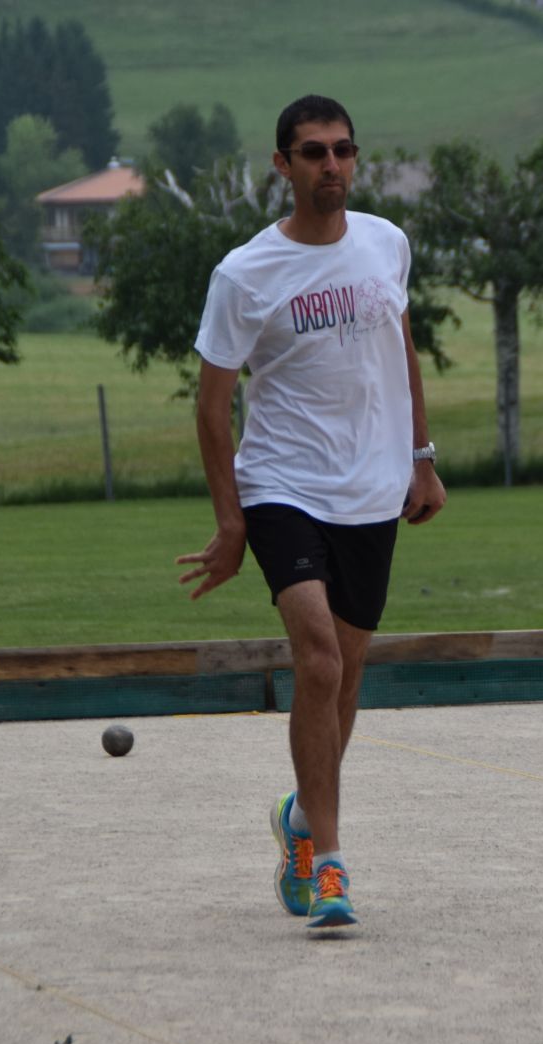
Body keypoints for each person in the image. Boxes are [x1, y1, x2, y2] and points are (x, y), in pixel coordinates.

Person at [177, 95, 446, 930]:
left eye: (343, 150)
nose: (331, 164)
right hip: (282, 488)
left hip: (372, 491)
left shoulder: (386, 243)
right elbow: (211, 409)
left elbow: (400, 348)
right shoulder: (245, 274)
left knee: (347, 680)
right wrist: (232, 523)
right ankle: (328, 865)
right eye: (314, 152)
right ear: (282, 165)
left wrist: (422, 457)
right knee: (320, 663)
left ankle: (299, 815)